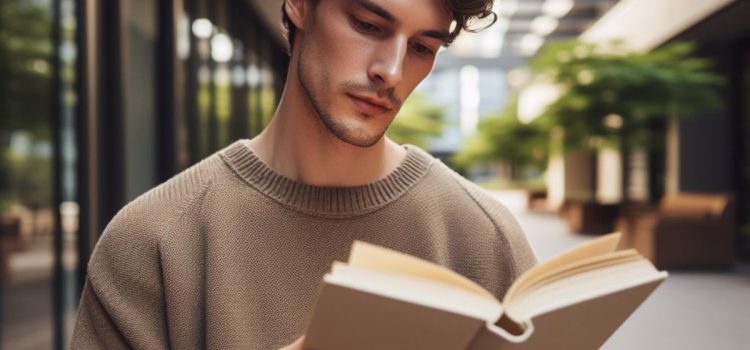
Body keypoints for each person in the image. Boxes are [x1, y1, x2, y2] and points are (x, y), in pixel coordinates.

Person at [70, 0, 536, 349]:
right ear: (299, 5)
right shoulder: (153, 241)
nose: (391, 72)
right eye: (368, 25)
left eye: (421, 47)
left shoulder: (483, 237)